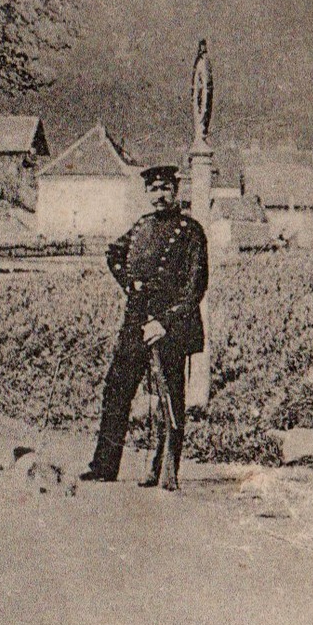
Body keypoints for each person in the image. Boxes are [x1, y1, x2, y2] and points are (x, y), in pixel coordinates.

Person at [80, 164, 210, 489]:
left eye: (165, 188)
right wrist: (130, 284)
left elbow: (196, 286)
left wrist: (164, 322)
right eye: (153, 190)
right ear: (146, 194)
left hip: (170, 326)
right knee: (117, 389)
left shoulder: (191, 231)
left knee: (169, 397)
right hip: (136, 321)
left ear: (176, 191)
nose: (160, 195)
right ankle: (104, 466)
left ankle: (165, 469)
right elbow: (114, 254)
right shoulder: (141, 227)